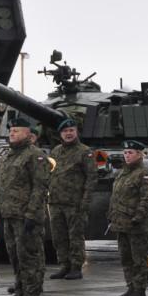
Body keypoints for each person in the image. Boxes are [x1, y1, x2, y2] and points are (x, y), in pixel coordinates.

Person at [0, 117, 50, 296]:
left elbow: (40, 187)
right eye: (11, 130)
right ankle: (20, 292)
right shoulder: (7, 155)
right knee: (14, 256)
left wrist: (32, 213)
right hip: (9, 214)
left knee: (28, 256)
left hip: (26, 216)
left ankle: (31, 295)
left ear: (27, 134)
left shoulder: (35, 155)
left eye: (16, 131)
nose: (12, 133)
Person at [47, 118, 98, 280]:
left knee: (75, 236)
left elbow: (92, 177)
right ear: (60, 134)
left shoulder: (84, 152)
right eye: (65, 131)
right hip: (55, 202)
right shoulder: (55, 151)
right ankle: (64, 265)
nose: (68, 134)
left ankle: (76, 267)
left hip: (74, 202)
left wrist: (85, 200)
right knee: (59, 236)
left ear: (76, 132)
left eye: (71, 131)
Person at [107, 139, 148, 296]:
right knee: (126, 258)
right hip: (121, 223)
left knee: (139, 259)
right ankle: (131, 287)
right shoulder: (123, 172)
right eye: (126, 153)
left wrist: (138, 217)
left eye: (131, 153)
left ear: (140, 155)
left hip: (136, 225)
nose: (127, 156)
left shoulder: (144, 173)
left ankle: (140, 289)